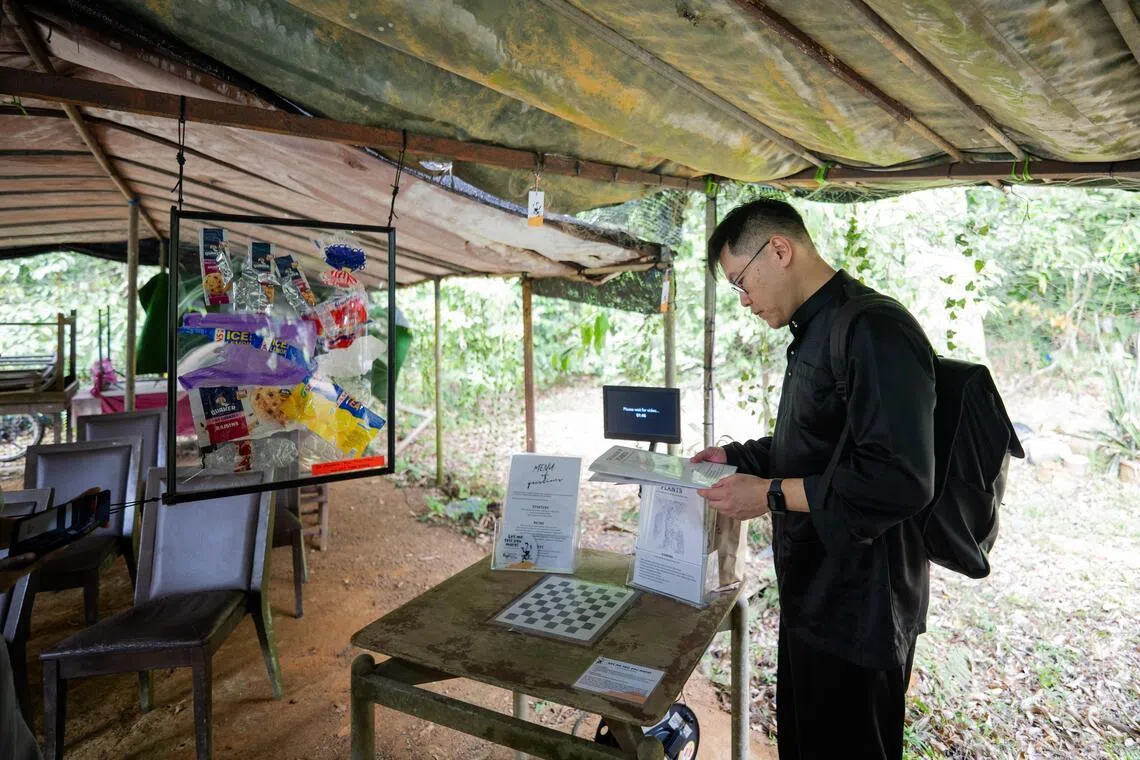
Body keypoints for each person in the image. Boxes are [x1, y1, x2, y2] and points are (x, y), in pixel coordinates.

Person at [692, 199, 936, 760]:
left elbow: (899, 477)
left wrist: (771, 495)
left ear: (779, 250)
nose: (745, 299)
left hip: (861, 608)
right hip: (814, 592)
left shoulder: (873, 328)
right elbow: (809, 446)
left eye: (741, 282)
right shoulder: (815, 330)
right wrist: (734, 455)